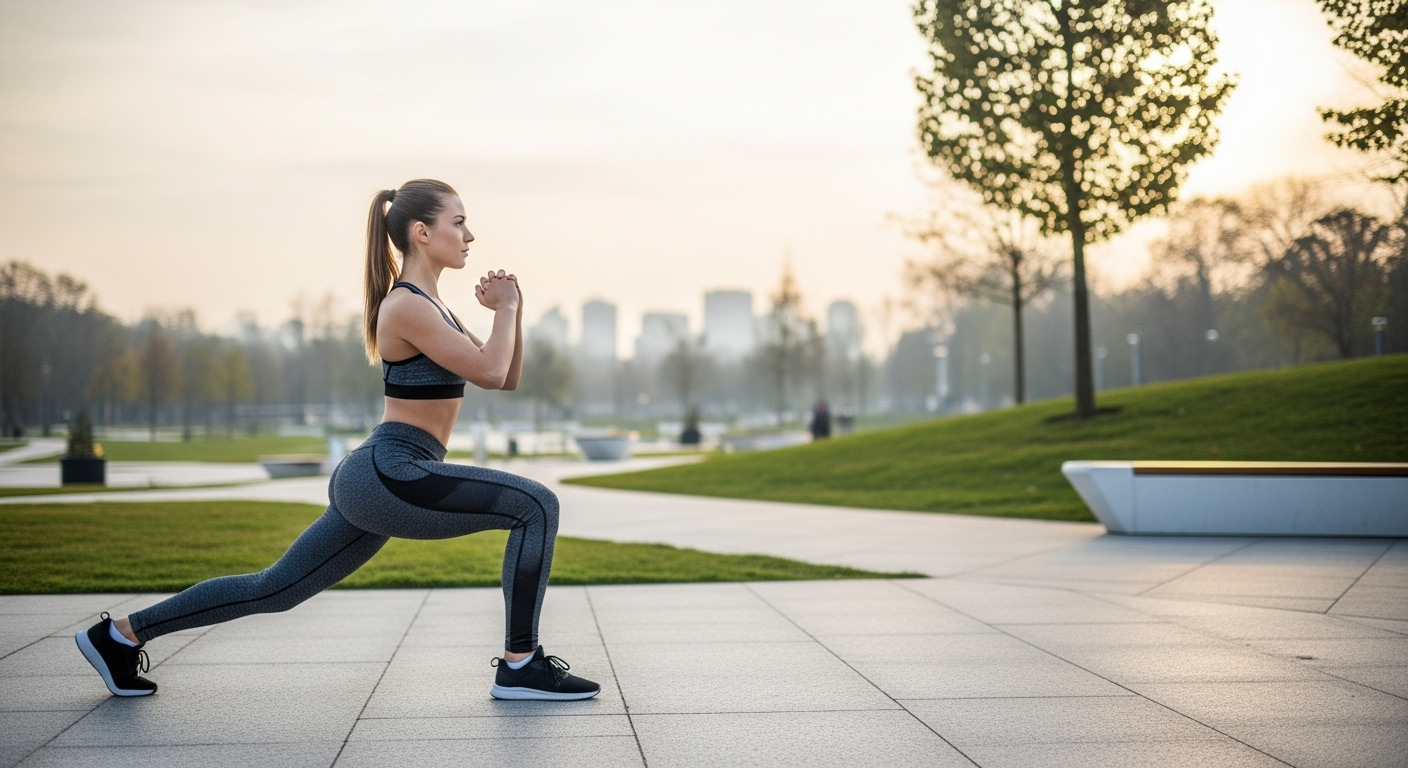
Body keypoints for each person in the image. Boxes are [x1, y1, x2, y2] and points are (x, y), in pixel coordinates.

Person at [75, 179, 598, 701]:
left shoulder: (435, 308)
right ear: (422, 232)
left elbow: (504, 375)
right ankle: (520, 665)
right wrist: (504, 310)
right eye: (458, 222)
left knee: (275, 590)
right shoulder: (407, 306)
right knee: (537, 506)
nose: (469, 235)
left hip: (381, 476)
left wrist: (515, 310)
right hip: (392, 472)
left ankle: (118, 635)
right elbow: (488, 371)